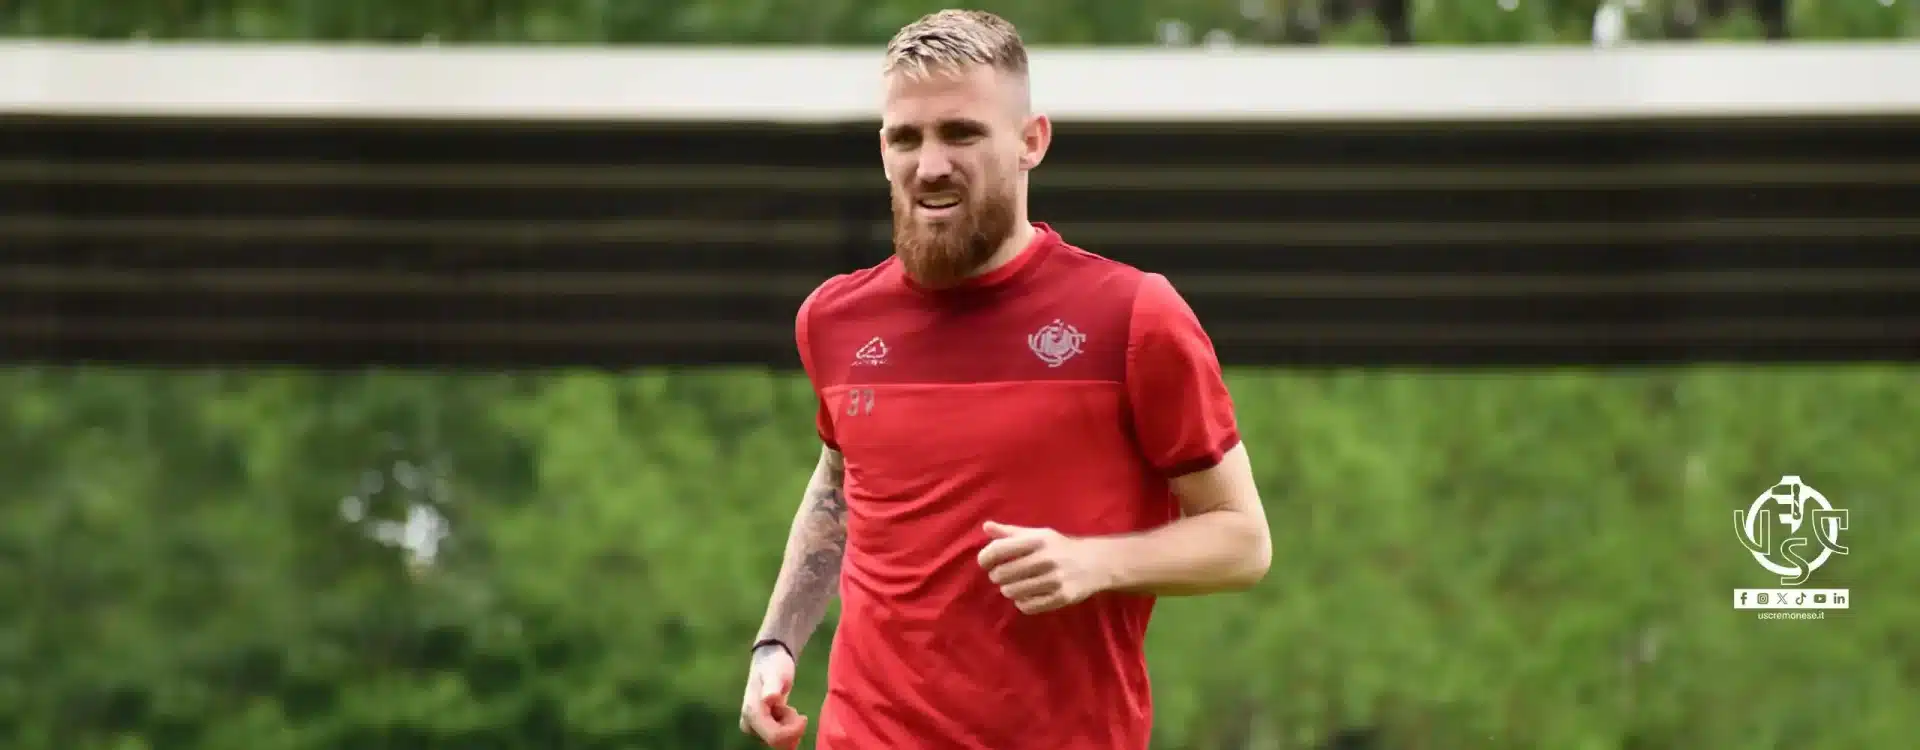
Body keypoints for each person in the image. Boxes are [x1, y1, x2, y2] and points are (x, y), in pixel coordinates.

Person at [738, 10, 1272, 750]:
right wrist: (776, 644)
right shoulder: (834, 319)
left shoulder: (1132, 315)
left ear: (1031, 141)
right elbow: (839, 483)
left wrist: (1096, 561)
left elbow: (1243, 539)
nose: (930, 165)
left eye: (961, 133)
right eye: (906, 138)